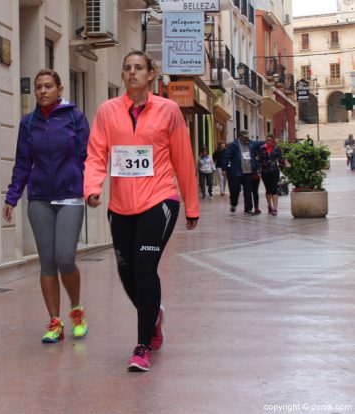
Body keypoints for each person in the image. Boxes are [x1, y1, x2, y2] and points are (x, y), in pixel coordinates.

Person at [84, 51, 199, 372]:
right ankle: (154, 316)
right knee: (126, 271)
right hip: (120, 204)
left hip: (159, 200)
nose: (132, 72)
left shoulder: (169, 111)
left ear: (151, 75)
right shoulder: (107, 111)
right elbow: (96, 154)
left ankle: (142, 344)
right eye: (127, 68)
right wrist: (92, 187)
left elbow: (183, 159)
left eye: (138, 68)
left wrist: (191, 204)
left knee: (145, 267)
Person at [3, 69, 90, 343]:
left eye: (48, 86)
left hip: (70, 197)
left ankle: (76, 309)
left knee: (65, 258)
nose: (42, 90)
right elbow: (22, 163)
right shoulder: (28, 123)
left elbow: (88, 156)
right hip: (39, 199)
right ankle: (55, 322)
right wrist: (12, 197)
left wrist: (91, 188)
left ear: (59, 89)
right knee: (48, 263)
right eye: (38, 86)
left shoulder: (75, 118)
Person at [227, 130, 262, 215]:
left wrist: (270, 141)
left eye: (247, 136)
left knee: (248, 191)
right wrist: (225, 168)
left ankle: (248, 209)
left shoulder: (251, 144)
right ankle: (233, 204)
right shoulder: (233, 145)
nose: (247, 138)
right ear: (240, 137)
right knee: (235, 190)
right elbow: (227, 156)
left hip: (248, 172)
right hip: (237, 172)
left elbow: (259, 143)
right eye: (245, 137)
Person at [256, 133, 285, 215]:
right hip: (265, 171)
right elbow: (259, 160)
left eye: (270, 140)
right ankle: (269, 206)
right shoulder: (262, 148)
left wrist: (282, 167)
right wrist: (258, 170)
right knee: (268, 189)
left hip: (274, 170)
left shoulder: (277, 148)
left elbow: (281, 159)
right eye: (267, 140)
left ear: (273, 141)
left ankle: (275, 209)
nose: (269, 142)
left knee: (274, 189)